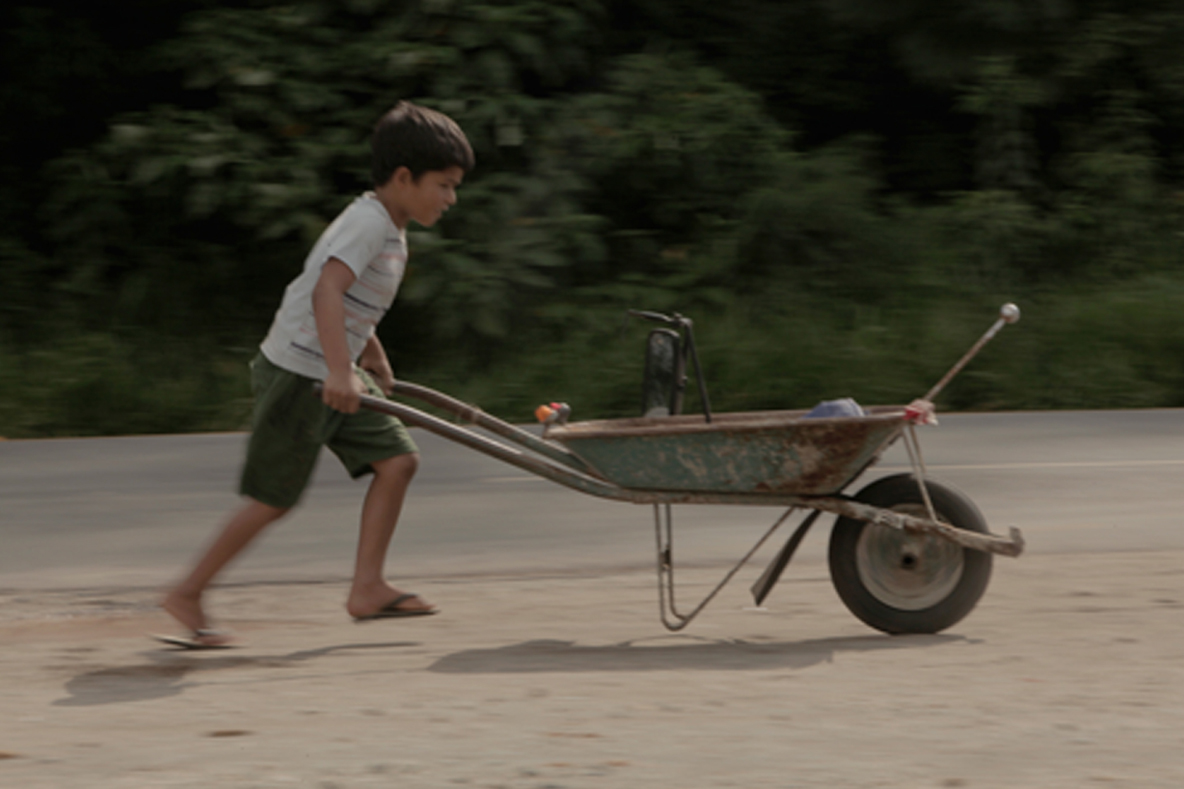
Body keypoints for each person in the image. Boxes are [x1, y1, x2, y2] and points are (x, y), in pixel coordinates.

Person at [160, 101, 474, 647]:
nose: (451, 199)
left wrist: (369, 353)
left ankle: (368, 587)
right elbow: (327, 288)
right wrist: (338, 370)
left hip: (332, 365)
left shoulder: (389, 225)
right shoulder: (368, 225)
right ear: (404, 178)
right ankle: (187, 592)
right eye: (444, 186)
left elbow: (347, 299)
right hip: (301, 373)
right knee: (272, 498)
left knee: (398, 461)